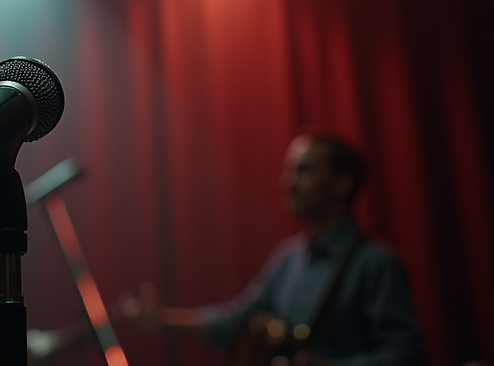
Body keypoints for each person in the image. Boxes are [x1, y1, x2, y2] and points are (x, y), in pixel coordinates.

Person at [118, 133, 427, 366]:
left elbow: (408, 354)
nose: (287, 182)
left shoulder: (377, 263)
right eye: (290, 170)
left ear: (342, 183)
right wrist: (162, 320)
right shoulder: (289, 258)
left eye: (303, 171)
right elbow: (239, 319)